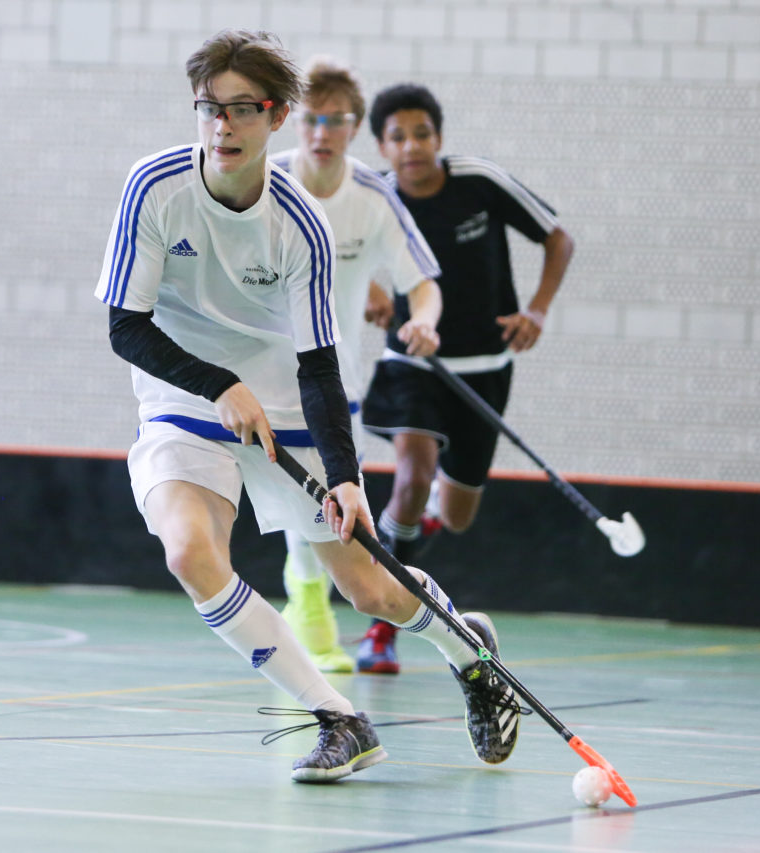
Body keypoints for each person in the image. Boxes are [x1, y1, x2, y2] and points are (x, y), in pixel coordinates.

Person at [95, 30, 523, 781]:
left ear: (278, 115)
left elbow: (321, 367)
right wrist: (217, 384)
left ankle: (469, 651)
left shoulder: (302, 225)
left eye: (241, 110)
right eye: (208, 108)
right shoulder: (154, 186)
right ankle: (339, 717)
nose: (222, 126)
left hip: (288, 407)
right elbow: (124, 325)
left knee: (372, 590)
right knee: (190, 551)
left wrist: (348, 477)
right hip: (183, 403)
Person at [356, 83, 575, 675]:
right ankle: (382, 628)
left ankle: (420, 521)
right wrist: (369, 293)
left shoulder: (478, 181)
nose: (411, 147)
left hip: (484, 370)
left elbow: (558, 236)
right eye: (397, 137)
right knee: (411, 473)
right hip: (412, 362)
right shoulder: (373, 194)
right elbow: (323, 245)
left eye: (421, 133)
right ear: (381, 144)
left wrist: (537, 310)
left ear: (439, 137)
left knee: (456, 516)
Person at [269, 56, 443, 674]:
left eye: (335, 120)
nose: (321, 133)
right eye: (311, 119)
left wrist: (421, 317)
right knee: (297, 492)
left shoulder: (372, 196)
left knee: (321, 495)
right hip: (261, 370)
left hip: (332, 376)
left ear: (353, 126)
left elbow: (421, 279)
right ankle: (307, 606)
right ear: (292, 122)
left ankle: (310, 603)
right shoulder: (266, 182)